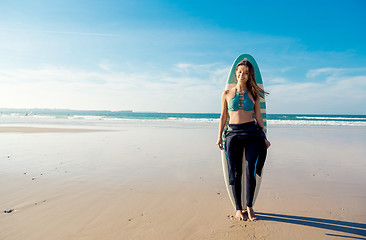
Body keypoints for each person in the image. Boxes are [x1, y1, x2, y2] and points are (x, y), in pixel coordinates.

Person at [216, 58, 270, 221]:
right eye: (240, 72)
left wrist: (264, 137)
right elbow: (223, 116)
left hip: (251, 134)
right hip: (232, 134)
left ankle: (250, 207)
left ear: (249, 76)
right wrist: (219, 136)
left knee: (250, 170)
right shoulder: (226, 94)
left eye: (246, 73)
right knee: (235, 172)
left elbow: (259, 116)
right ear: (236, 73)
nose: (242, 74)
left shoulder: (254, 94)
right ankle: (238, 209)